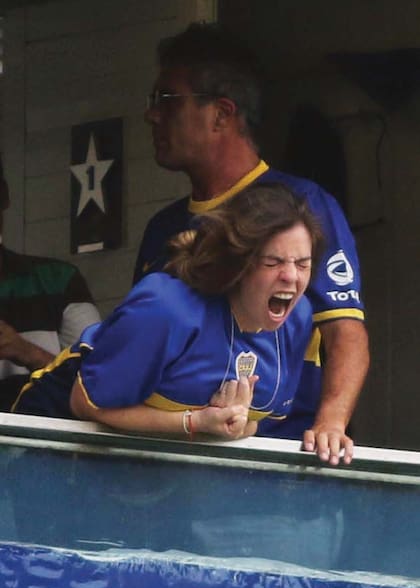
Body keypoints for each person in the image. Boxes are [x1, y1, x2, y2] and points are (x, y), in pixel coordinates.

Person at [132, 22, 369, 466]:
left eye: (166, 100)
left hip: (277, 467)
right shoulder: (160, 228)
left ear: (221, 113)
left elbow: (345, 329)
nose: (152, 115)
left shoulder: (302, 205)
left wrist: (330, 426)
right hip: (174, 468)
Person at [13, 183, 341, 459]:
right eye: (273, 262)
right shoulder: (167, 309)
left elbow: (256, 424)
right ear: (237, 262)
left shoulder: (297, 320)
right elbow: (85, 403)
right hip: (53, 430)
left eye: (302, 263)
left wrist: (232, 425)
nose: (290, 277)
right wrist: (196, 424)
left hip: (147, 460)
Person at [0, 158, 101, 411]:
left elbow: (100, 384)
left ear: (4, 195)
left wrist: (24, 351)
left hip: (41, 447)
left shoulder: (59, 281)